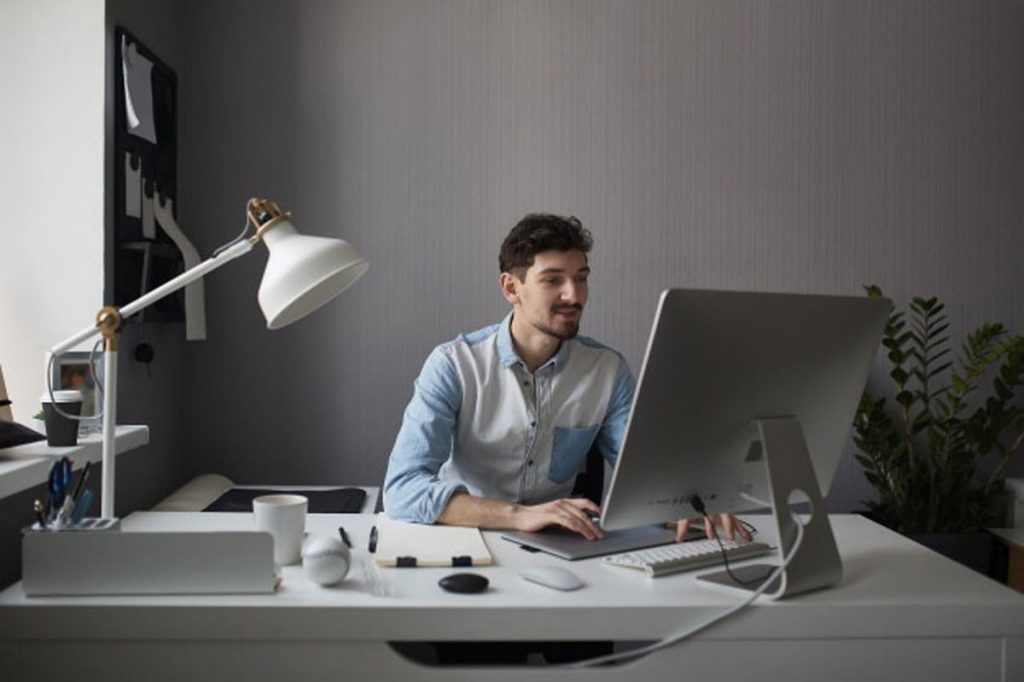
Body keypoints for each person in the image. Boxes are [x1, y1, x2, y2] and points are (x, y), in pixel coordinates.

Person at [384, 213, 750, 543]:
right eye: (552, 280)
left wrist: (689, 498)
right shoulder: (454, 364)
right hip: (467, 540)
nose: (573, 295)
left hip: (558, 545)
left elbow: (643, 476)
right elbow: (403, 490)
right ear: (511, 288)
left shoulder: (607, 370)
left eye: (581, 278)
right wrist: (520, 516)